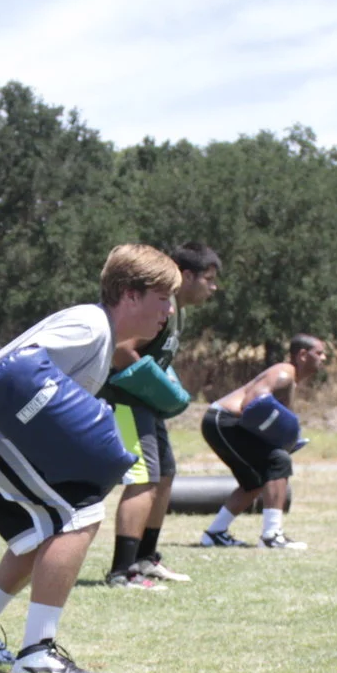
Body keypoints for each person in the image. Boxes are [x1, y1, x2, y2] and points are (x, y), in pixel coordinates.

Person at [0, 244, 180, 673]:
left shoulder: (102, 338)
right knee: (77, 514)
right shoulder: (89, 326)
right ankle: (37, 652)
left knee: (44, 529)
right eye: (162, 298)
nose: (168, 310)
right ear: (131, 294)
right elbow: (18, 373)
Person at [102, 243, 222, 589]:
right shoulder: (160, 306)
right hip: (126, 401)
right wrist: (153, 385)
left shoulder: (175, 310)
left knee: (165, 476)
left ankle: (145, 559)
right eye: (209, 279)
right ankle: (122, 571)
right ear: (187, 276)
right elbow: (122, 349)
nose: (213, 287)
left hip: (145, 405)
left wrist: (162, 386)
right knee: (143, 479)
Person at [198, 335, 326, 550]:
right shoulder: (284, 373)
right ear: (303, 355)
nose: (324, 358)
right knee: (278, 461)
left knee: (255, 481)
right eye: (319, 353)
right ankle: (271, 536)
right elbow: (252, 404)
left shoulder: (290, 379)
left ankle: (215, 534)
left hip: (229, 423)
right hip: (223, 421)